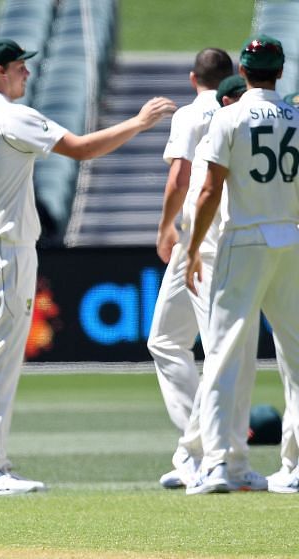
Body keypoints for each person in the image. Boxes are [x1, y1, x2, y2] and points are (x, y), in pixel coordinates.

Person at [0, 38, 176, 495]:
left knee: (0, 356)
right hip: (8, 250)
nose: (27, 74)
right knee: (0, 359)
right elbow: (82, 149)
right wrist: (139, 122)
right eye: (19, 67)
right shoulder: (11, 115)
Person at [185, 35, 299, 494]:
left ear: (245, 71)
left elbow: (210, 190)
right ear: (280, 70)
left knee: (223, 354)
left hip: (244, 238)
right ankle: (292, 466)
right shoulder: (296, 117)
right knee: (295, 358)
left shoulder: (228, 116)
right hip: (290, 239)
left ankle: (221, 464)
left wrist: (192, 247)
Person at [147, 52, 265, 491]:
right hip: (205, 237)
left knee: (216, 348)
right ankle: (196, 447)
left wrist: (164, 228)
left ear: (193, 77)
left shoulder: (194, 113)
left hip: (203, 239)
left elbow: (180, 179)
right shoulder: (243, 109)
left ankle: (209, 454)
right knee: (165, 338)